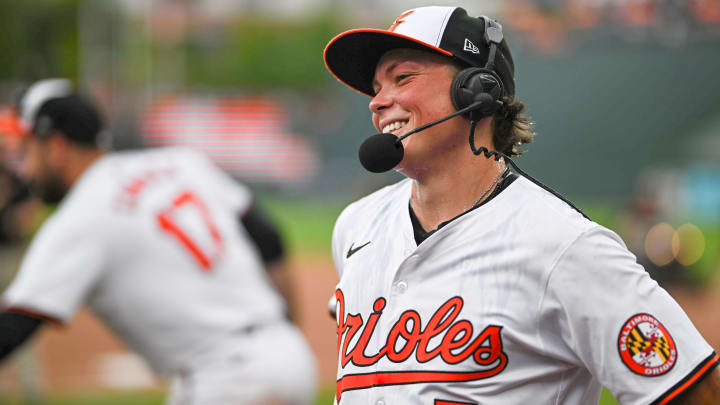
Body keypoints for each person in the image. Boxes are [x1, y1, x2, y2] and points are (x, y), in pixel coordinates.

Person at [323, 6, 719, 405]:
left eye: (402, 78)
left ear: (476, 90)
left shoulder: (564, 247)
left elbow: (695, 390)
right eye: (376, 88)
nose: (378, 102)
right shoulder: (356, 226)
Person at [0, 78, 316, 405]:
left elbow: (14, 326)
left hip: (223, 380)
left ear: (56, 148)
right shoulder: (180, 161)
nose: (26, 169)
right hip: (288, 356)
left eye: (27, 151)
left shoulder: (79, 216)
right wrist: (283, 338)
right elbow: (269, 238)